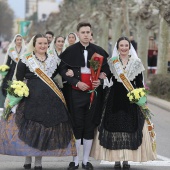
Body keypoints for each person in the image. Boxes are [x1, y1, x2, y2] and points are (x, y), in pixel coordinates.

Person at [0, 34, 76, 170]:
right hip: (30, 98)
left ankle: (39, 161)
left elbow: (61, 72)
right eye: (40, 43)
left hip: (50, 99)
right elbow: (18, 78)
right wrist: (17, 95)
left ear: (48, 45)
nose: (42, 46)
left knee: (43, 129)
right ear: (34, 45)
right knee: (29, 128)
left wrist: (69, 72)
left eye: (45, 43)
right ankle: (28, 158)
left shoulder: (53, 59)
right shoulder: (26, 60)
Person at [90, 37, 157, 169]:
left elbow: (139, 83)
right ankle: (116, 159)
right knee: (114, 129)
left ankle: (126, 159)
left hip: (131, 101)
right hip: (114, 99)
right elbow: (108, 80)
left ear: (130, 47)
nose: (124, 48)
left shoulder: (137, 63)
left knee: (129, 129)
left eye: (126, 45)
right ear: (118, 47)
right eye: (121, 45)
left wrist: (141, 99)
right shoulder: (112, 62)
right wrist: (101, 79)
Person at [59, 22, 110, 170]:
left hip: (93, 94)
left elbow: (107, 69)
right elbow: (62, 69)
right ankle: (75, 160)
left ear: (91, 33)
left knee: (89, 125)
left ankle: (86, 160)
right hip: (75, 93)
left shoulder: (99, 51)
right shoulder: (70, 50)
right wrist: (75, 80)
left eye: (88, 32)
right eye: (83, 32)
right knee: (76, 125)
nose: (86, 34)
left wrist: (101, 79)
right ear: (78, 33)